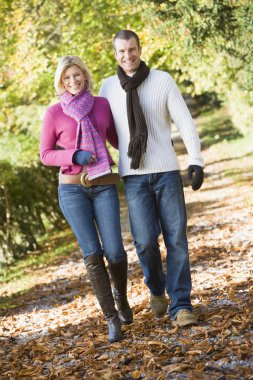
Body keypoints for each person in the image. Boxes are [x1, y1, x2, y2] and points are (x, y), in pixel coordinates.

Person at [99, 30, 204, 327]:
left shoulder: (162, 80)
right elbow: (100, 129)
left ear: (140, 49)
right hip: (132, 176)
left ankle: (181, 304)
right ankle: (156, 289)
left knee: (177, 240)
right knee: (145, 242)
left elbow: (184, 120)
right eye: (121, 51)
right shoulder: (107, 88)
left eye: (132, 49)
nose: (127, 56)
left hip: (167, 173)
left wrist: (195, 159)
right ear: (115, 54)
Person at [40, 55, 133, 343]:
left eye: (77, 75)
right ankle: (111, 318)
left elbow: (120, 140)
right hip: (71, 189)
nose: (73, 82)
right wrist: (73, 155)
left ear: (85, 75)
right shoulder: (54, 113)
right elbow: (45, 155)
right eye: (67, 78)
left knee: (115, 252)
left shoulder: (102, 105)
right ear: (60, 82)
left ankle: (121, 296)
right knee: (92, 254)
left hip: (103, 184)